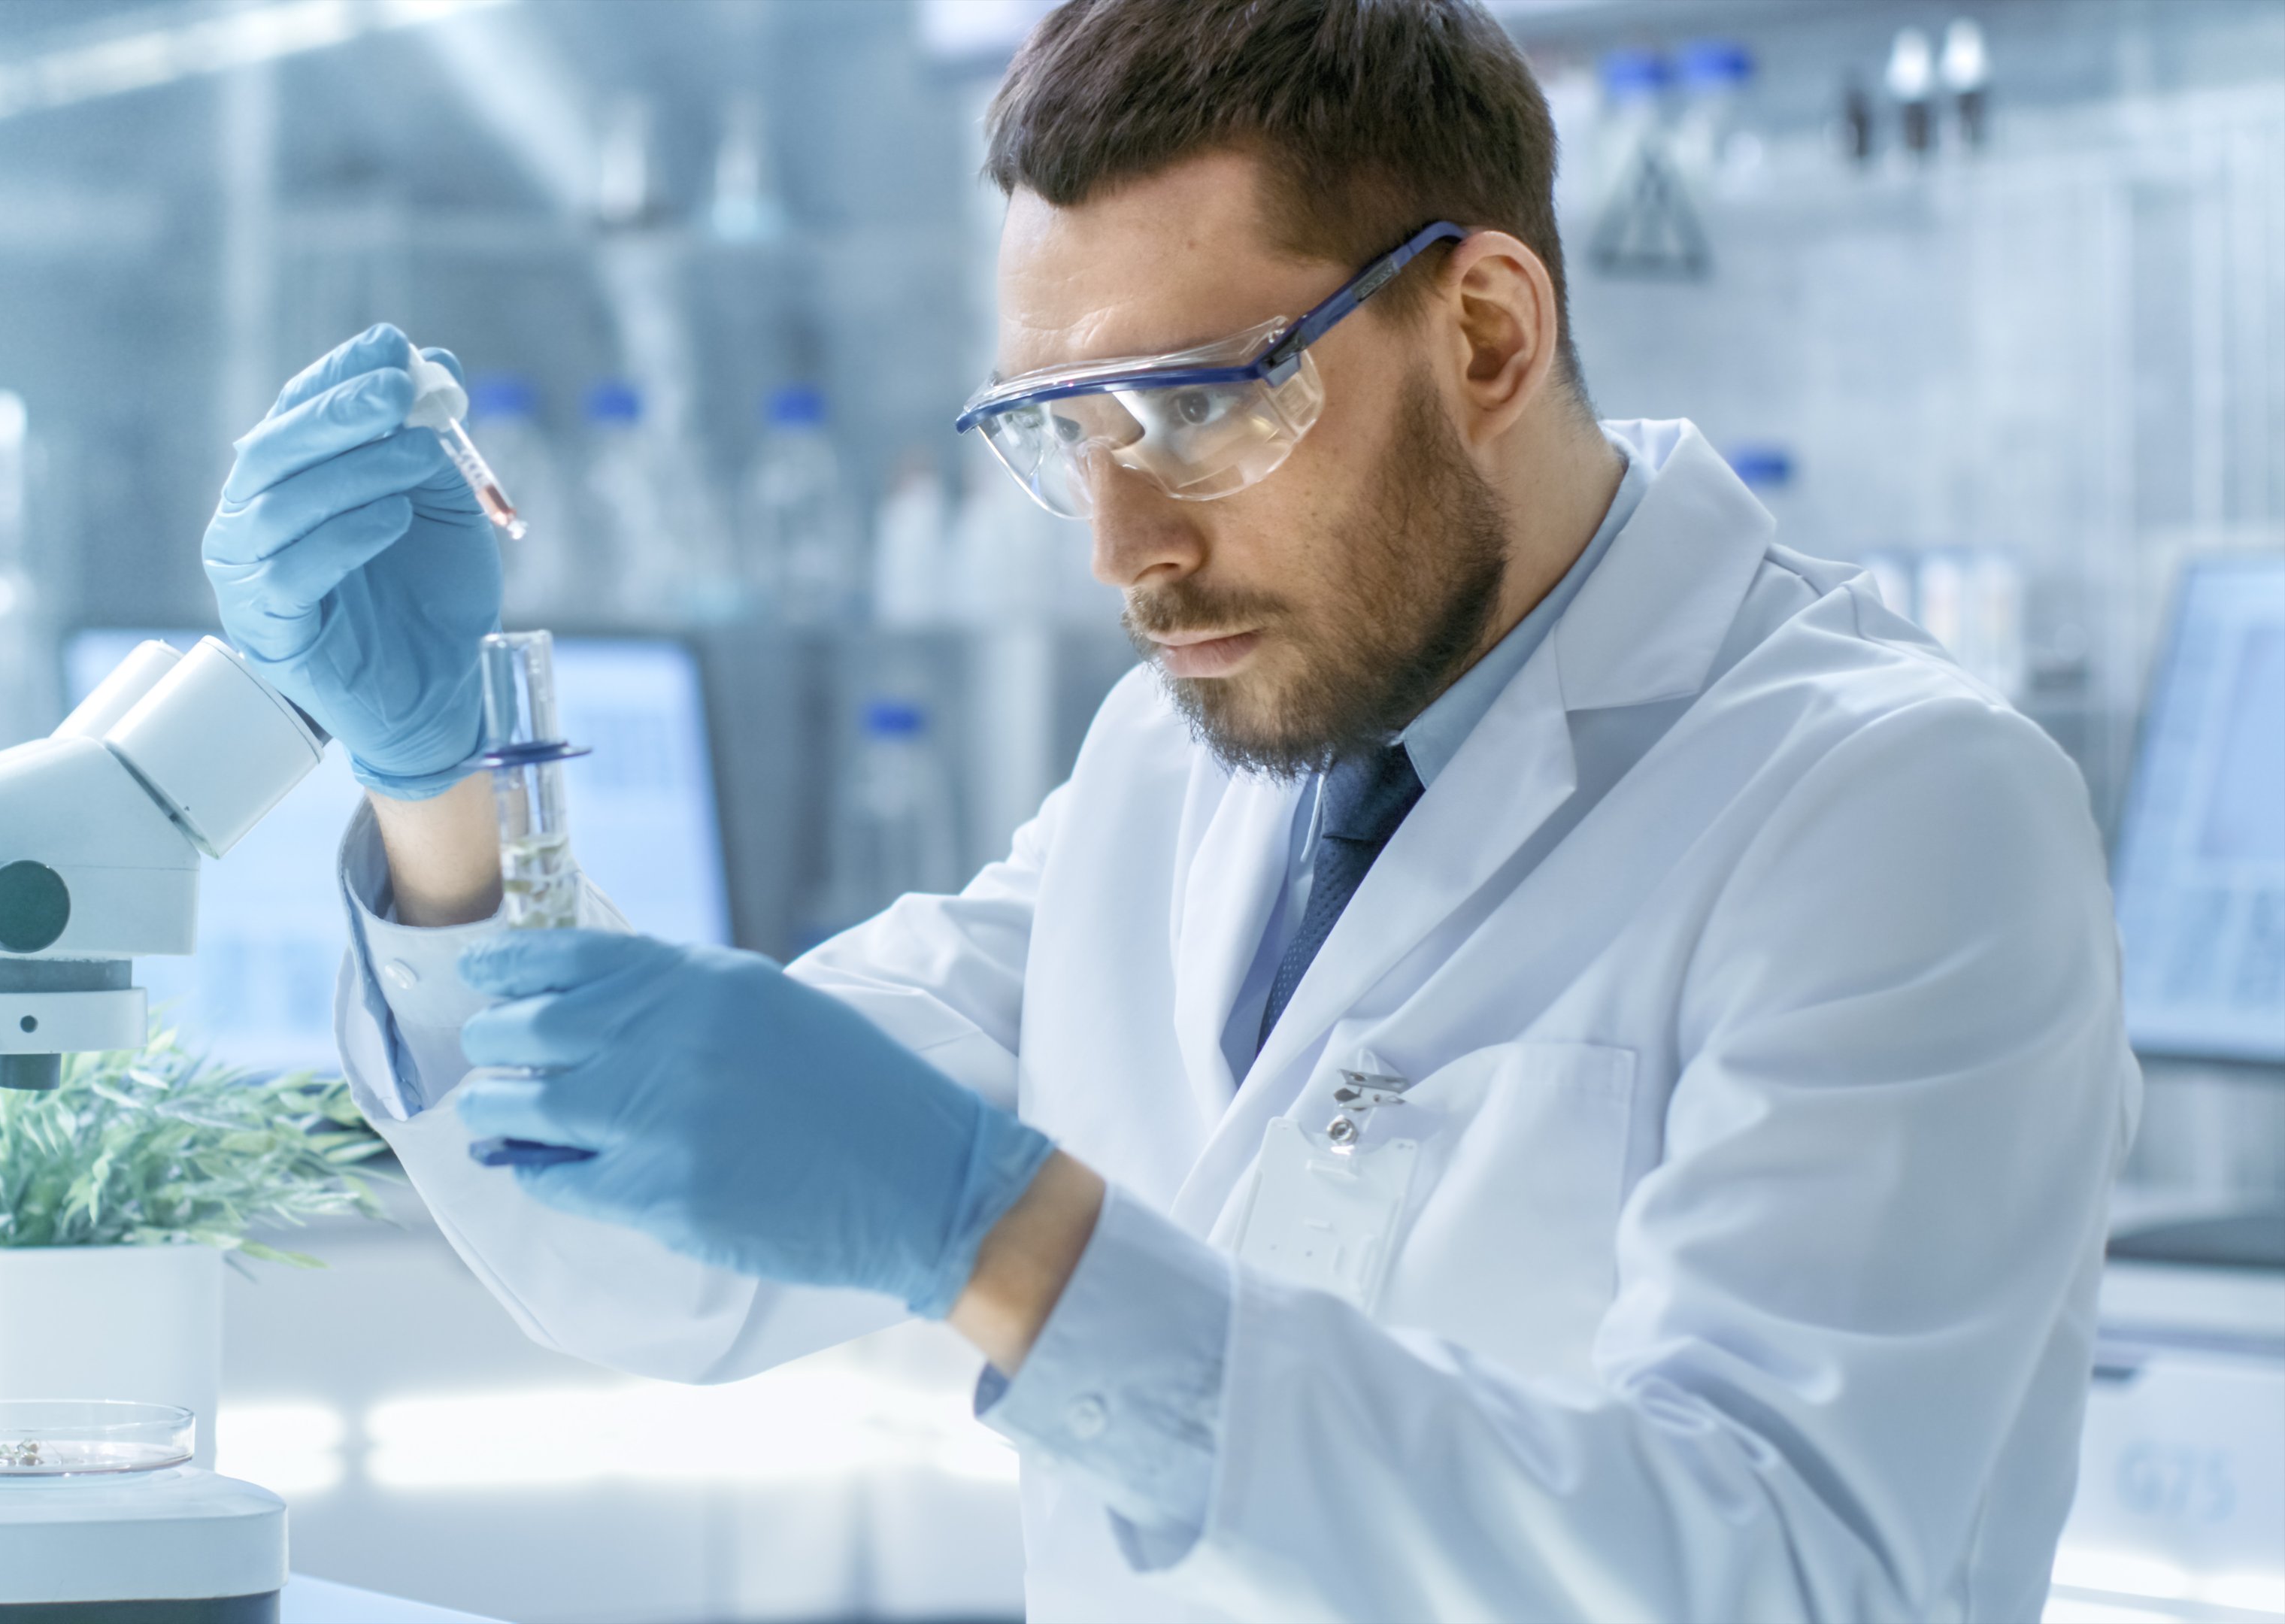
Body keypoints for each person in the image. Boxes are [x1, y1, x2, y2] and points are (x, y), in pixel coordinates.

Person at [200, 1, 2135, 1615]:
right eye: (1066, 432)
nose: (1124, 547)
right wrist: (435, 789)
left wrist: (1005, 1241)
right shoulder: (1176, 763)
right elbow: (667, 1268)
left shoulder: (1893, 808)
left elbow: (1792, 1576)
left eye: (1200, 405)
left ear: (1485, 333)